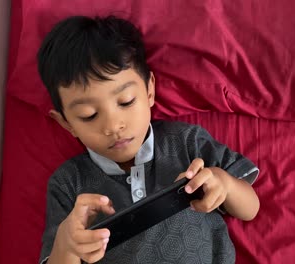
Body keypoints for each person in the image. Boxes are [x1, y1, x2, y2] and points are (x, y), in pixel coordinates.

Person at [36, 15, 260, 264]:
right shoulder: (68, 183)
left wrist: (224, 184)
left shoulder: (186, 143)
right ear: (66, 123)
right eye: (88, 115)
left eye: (126, 101)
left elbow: (251, 208)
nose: (113, 126)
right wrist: (67, 244)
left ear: (150, 90)